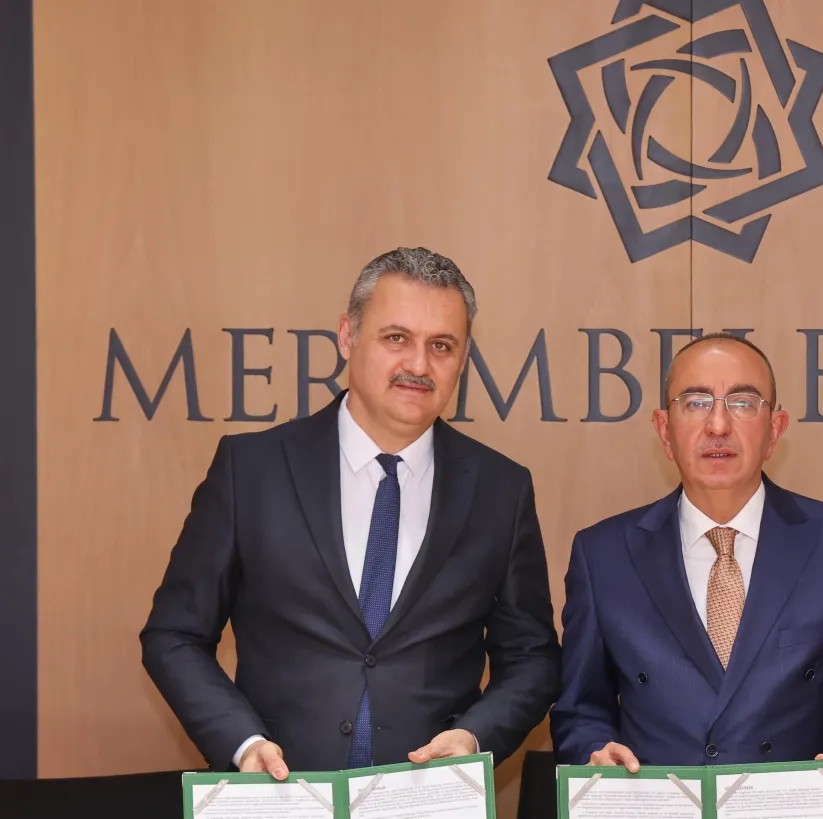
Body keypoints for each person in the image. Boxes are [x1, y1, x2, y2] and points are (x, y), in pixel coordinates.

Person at [141, 247, 561, 776]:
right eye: (396, 338)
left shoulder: (501, 489)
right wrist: (242, 743)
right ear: (347, 336)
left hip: (431, 805)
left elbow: (531, 657)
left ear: (463, 358)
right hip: (280, 796)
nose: (418, 365)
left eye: (441, 346)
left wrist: (475, 737)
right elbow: (174, 634)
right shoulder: (250, 470)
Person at [550, 333, 823, 819]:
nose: (718, 425)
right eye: (696, 402)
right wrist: (595, 751)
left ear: (775, 430)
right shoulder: (603, 555)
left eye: (743, 403)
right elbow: (579, 708)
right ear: (664, 430)